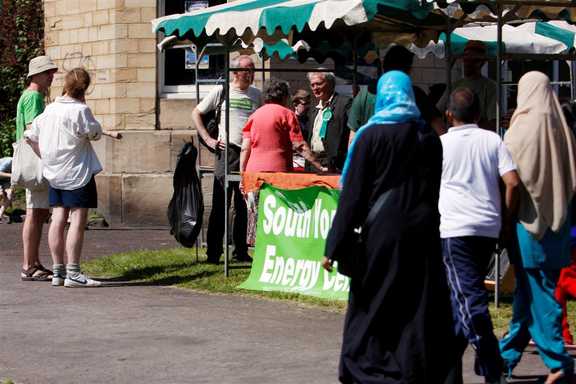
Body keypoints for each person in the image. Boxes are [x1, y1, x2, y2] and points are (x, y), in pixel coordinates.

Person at [322, 71, 457, 383]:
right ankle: (413, 367)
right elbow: (435, 189)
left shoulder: (371, 136)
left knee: (373, 301)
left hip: (383, 233)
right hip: (423, 232)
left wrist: (334, 245)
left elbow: (353, 196)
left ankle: (370, 367)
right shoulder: (428, 138)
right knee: (415, 304)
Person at [499, 71, 576, 384]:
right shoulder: (564, 129)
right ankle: (504, 357)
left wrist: (505, 220)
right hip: (558, 226)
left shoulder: (519, 131)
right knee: (528, 294)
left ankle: (558, 362)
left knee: (538, 293)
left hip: (527, 226)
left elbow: (512, 182)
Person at [439, 87, 520, 384]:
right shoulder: (493, 140)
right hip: (487, 228)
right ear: (479, 114)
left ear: (449, 115)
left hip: (454, 230)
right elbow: (512, 183)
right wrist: (506, 220)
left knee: (468, 298)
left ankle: (490, 360)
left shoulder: (442, 144)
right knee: (460, 298)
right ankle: (450, 370)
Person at [25, 68, 121, 287]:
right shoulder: (81, 111)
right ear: (84, 88)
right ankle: (74, 273)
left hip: (55, 173)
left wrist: (45, 156)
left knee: (57, 219)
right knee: (77, 221)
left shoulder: (49, 111)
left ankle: (58, 272)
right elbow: (94, 133)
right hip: (78, 173)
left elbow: (29, 136)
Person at [191, 55, 261, 264]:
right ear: (235, 72)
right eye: (246, 70)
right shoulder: (222, 91)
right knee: (221, 202)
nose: (250, 74)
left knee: (242, 204)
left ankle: (240, 250)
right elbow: (196, 112)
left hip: (248, 154)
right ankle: (213, 252)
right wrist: (208, 139)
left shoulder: (257, 94)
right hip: (227, 151)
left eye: (252, 70)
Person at [348, 45, 445, 143]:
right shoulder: (415, 94)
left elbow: (352, 140)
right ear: (409, 70)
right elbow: (441, 131)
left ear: (383, 66)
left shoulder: (364, 95)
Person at [16, 55, 58, 281]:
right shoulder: (33, 97)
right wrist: (48, 158)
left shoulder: (29, 95)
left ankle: (32, 262)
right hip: (36, 160)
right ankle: (29, 264)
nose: (51, 76)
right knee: (35, 212)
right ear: (37, 75)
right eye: (47, 72)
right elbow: (33, 132)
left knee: (38, 211)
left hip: (32, 160)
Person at [240, 80, 325, 174]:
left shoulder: (254, 116)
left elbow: (245, 148)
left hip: (254, 172)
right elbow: (299, 146)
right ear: (285, 96)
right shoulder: (287, 114)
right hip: (279, 170)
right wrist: (319, 166)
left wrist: (242, 173)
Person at [437, 40, 497, 131]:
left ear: (482, 62)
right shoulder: (454, 85)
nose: (468, 63)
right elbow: (438, 111)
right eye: (466, 59)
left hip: (478, 137)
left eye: (474, 60)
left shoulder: (490, 87)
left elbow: (493, 123)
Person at [305, 71, 351, 173]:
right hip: (314, 164)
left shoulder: (344, 103)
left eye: (319, 84)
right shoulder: (314, 110)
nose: (315, 88)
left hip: (334, 165)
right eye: (312, 85)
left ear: (330, 84)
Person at [291, 89, 312, 171]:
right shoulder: (290, 120)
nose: (308, 107)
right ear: (295, 105)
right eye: (305, 104)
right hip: (295, 160)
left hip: (307, 159)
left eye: (309, 104)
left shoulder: (310, 120)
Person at [0, 157, 13, 223]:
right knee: (1, 194)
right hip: (2, 176)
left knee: (10, 194)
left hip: (6, 180)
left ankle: (0, 214)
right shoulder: (9, 161)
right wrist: (11, 175)